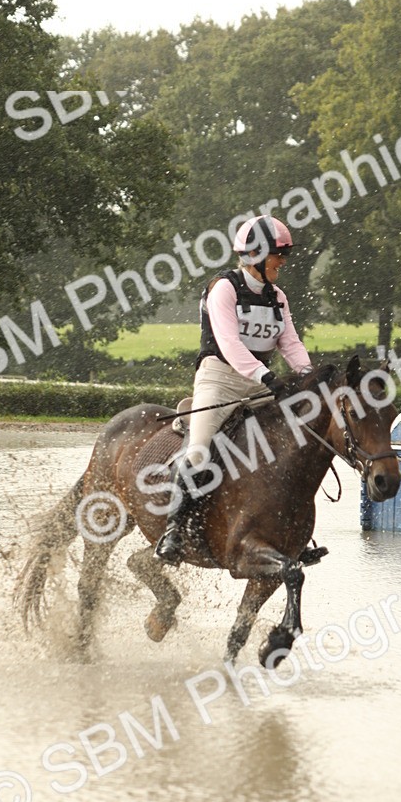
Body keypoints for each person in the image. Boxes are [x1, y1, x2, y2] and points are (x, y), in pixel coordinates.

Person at [154, 214, 314, 564]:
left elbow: (290, 342)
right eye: (278, 255)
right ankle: (174, 531)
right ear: (256, 255)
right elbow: (229, 344)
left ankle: (295, 532)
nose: (283, 262)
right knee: (197, 454)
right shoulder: (223, 288)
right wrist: (266, 376)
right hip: (219, 380)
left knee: (292, 443)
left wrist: (309, 376)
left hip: (257, 383)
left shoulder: (278, 297)